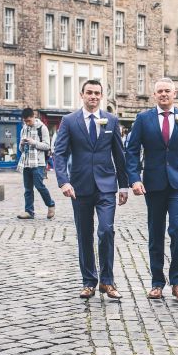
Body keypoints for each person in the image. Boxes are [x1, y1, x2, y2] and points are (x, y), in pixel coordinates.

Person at [126, 77, 178, 302]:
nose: (163, 94)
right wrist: (134, 179)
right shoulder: (143, 119)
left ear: (175, 93)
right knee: (155, 233)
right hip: (153, 184)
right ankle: (157, 283)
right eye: (159, 91)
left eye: (167, 91)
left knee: (177, 229)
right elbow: (131, 151)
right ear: (154, 95)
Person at [53, 79, 129, 300]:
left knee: (106, 231)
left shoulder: (111, 120)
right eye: (89, 93)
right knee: (84, 235)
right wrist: (63, 181)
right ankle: (89, 282)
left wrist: (123, 185)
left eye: (97, 93)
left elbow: (119, 155)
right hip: (80, 187)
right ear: (82, 95)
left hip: (106, 186)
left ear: (101, 95)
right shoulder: (69, 121)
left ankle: (107, 281)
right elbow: (60, 154)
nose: (93, 96)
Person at [17, 108, 56, 220]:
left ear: (33, 117)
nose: (27, 123)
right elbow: (21, 150)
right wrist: (21, 144)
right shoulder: (24, 129)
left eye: (29, 121)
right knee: (27, 189)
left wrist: (33, 142)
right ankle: (29, 211)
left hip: (38, 163)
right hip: (26, 162)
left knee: (39, 186)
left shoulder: (42, 128)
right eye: (25, 121)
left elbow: (47, 146)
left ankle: (51, 204)